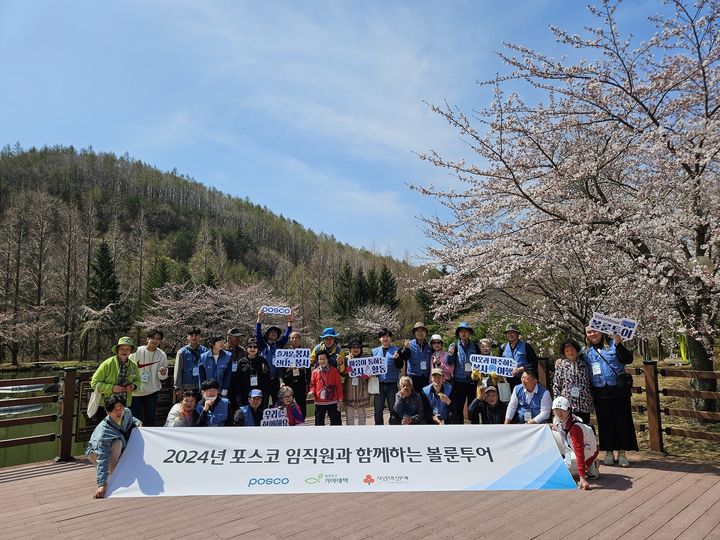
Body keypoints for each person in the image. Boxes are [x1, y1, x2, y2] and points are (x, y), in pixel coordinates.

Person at [585, 327, 638, 467]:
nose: (592, 334)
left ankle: (622, 453)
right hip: (600, 392)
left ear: (601, 331)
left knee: (622, 422)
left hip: (618, 390)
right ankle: (608, 452)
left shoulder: (613, 344)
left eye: (594, 331)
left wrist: (619, 342)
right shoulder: (586, 352)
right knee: (604, 423)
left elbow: (628, 359)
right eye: (589, 332)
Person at [86, 395, 142, 499]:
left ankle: (117, 472)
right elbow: (102, 458)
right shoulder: (103, 432)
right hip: (96, 453)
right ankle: (114, 477)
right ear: (107, 412)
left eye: (120, 408)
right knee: (117, 444)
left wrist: (138, 423)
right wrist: (101, 485)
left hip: (116, 447)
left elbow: (132, 420)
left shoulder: (127, 412)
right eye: (114, 410)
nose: (118, 412)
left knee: (122, 442)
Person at [551, 396, 600, 490]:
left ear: (569, 410)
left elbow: (579, 452)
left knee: (561, 473)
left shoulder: (575, 428)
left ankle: (590, 463)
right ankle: (581, 465)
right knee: (549, 434)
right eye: (556, 409)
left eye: (562, 409)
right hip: (570, 446)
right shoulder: (556, 420)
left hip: (587, 452)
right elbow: (563, 436)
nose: (559, 413)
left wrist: (582, 478)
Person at [90, 336, 141, 416]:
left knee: (123, 427)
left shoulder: (133, 365)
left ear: (131, 351)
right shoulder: (107, 364)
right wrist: (112, 388)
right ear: (117, 350)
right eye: (122, 349)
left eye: (127, 349)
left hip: (124, 404)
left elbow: (138, 381)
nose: (124, 351)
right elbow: (94, 383)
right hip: (107, 404)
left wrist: (133, 386)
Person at [129, 328, 168, 426]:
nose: (155, 341)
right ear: (147, 339)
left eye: (158, 339)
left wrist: (163, 373)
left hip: (152, 391)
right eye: (153, 338)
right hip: (136, 392)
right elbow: (128, 370)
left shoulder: (162, 355)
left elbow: (162, 377)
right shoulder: (136, 351)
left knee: (150, 418)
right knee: (135, 420)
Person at [256, 308, 294, 401]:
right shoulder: (263, 346)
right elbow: (258, 334)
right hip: (265, 380)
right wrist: (259, 318)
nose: (274, 334)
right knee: (263, 404)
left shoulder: (279, 346)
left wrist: (290, 320)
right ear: (267, 335)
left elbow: (287, 334)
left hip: (277, 381)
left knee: (278, 405)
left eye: (276, 333)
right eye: (271, 332)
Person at [553, 339, 594, 425]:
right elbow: (556, 385)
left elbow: (590, 383)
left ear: (577, 350)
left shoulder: (584, 364)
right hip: (567, 405)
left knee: (584, 429)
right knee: (569, 429)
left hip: (584, 404)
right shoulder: (561, 365)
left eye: (572, 350)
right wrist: (558, 403)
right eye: (567, 351)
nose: (570, 352)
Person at [446, 322, 478, 424]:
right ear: (458, 333)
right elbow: (449, 362)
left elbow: (481, 362)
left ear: (469, 333)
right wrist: (450, 354)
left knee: (474, 406)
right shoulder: (454, 346)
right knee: (458, 407)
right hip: (459, 381)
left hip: (473, 381)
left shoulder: (475, 346)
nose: (464, 334)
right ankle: (460, 428)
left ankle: (476, 428)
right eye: (461, 331)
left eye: (466, 331)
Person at [229, 337, 272, 409]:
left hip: (259, 392)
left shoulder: (262, 360)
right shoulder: (242, 362)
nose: (252, 348)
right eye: (250, 346)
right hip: (245, 393)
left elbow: (267, 378)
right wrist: (238, 394)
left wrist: (266, 394)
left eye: (255, 347)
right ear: (246, 348)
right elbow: (238, 379)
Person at [372, 328, 403, 425]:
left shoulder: (397, 350)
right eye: (383, 337)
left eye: (387, 336)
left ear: (390, 338)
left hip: (392, 385)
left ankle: (394, 431)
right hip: (378, 385)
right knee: (378, 411)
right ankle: (379, 432)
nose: (385, 338)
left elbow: (400, 366)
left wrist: (398, 358)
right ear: (379, 339)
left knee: (393, 410)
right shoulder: (374, 351)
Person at [279, 331, 310, 418]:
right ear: (289, 340)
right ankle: (288, 422)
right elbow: (281, 370)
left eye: (296, 337)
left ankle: (302, 422)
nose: (294, 339)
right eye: (292, 338)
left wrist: (308, 383)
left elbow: (308, 370)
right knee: (287, 405)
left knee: (302, 405)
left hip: (301, 383)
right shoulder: (285, 353)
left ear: (300, 339)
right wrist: (281, 382)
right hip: (289, 383)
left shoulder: (305, 353)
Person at [308, 350, 343, 426]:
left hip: (333, 401)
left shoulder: (334, 371)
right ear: (317, 360)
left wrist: (340, 399)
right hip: (319, 401)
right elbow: (313, 385)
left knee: (336, 422)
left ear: (328, 359)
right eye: (320, 359)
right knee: (319, 423)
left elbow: (338, 386)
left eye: (324, 359)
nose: (322, 361)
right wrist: (311, 392)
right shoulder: (314, 372)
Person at [499, 324, 539, 389]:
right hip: (507, 381)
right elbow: (499, 363)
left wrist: (521, 369)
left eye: (512, 332)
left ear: (517, 334)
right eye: (508, 333)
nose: (510, 335)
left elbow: (533, 363)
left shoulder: (526, 346)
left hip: (524, 380)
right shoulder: (502, 347)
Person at [398, 322, 432, 394]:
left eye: (422, 330)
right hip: (412, 377)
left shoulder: (429, 346)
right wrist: (406, 349)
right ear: (414, 333)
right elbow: (404, 357)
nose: (420, 333)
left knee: (424, 399)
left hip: (425, 377)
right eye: (418, 331)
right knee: (413, 400)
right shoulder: (409, 344)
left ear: (425, 333)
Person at [174, 327, 208, 399]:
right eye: (191, 335)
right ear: (187, 337)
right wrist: (178, 388)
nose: (194, 337)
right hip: (186, 387)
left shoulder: (205, 351)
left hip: (202, 387)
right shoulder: (182, 352)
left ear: (200, 337)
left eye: (196, 335)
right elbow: (178, 370)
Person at [343, 338, 369, 425]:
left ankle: (361, 435)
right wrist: (348, 369)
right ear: (350, 349)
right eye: (353, 347)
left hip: (361, 390)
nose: (356, 349)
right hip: (349, 391)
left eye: (358, 347)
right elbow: (342, 373)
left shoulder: (365, 360)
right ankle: (351, 436)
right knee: (349, 416)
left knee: (362, 415)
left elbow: (369, 374)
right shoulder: (345, 359)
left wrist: (363, 375)